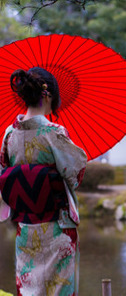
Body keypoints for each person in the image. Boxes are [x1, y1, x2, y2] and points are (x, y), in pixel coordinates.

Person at [0, 67, 87, 296]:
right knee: (59, 289)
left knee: (30, 286)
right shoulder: (54, 132)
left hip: (26, 226)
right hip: (57, 224)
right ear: (48, 95)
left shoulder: (9, 134)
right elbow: (75, 175)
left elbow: (4, 172)